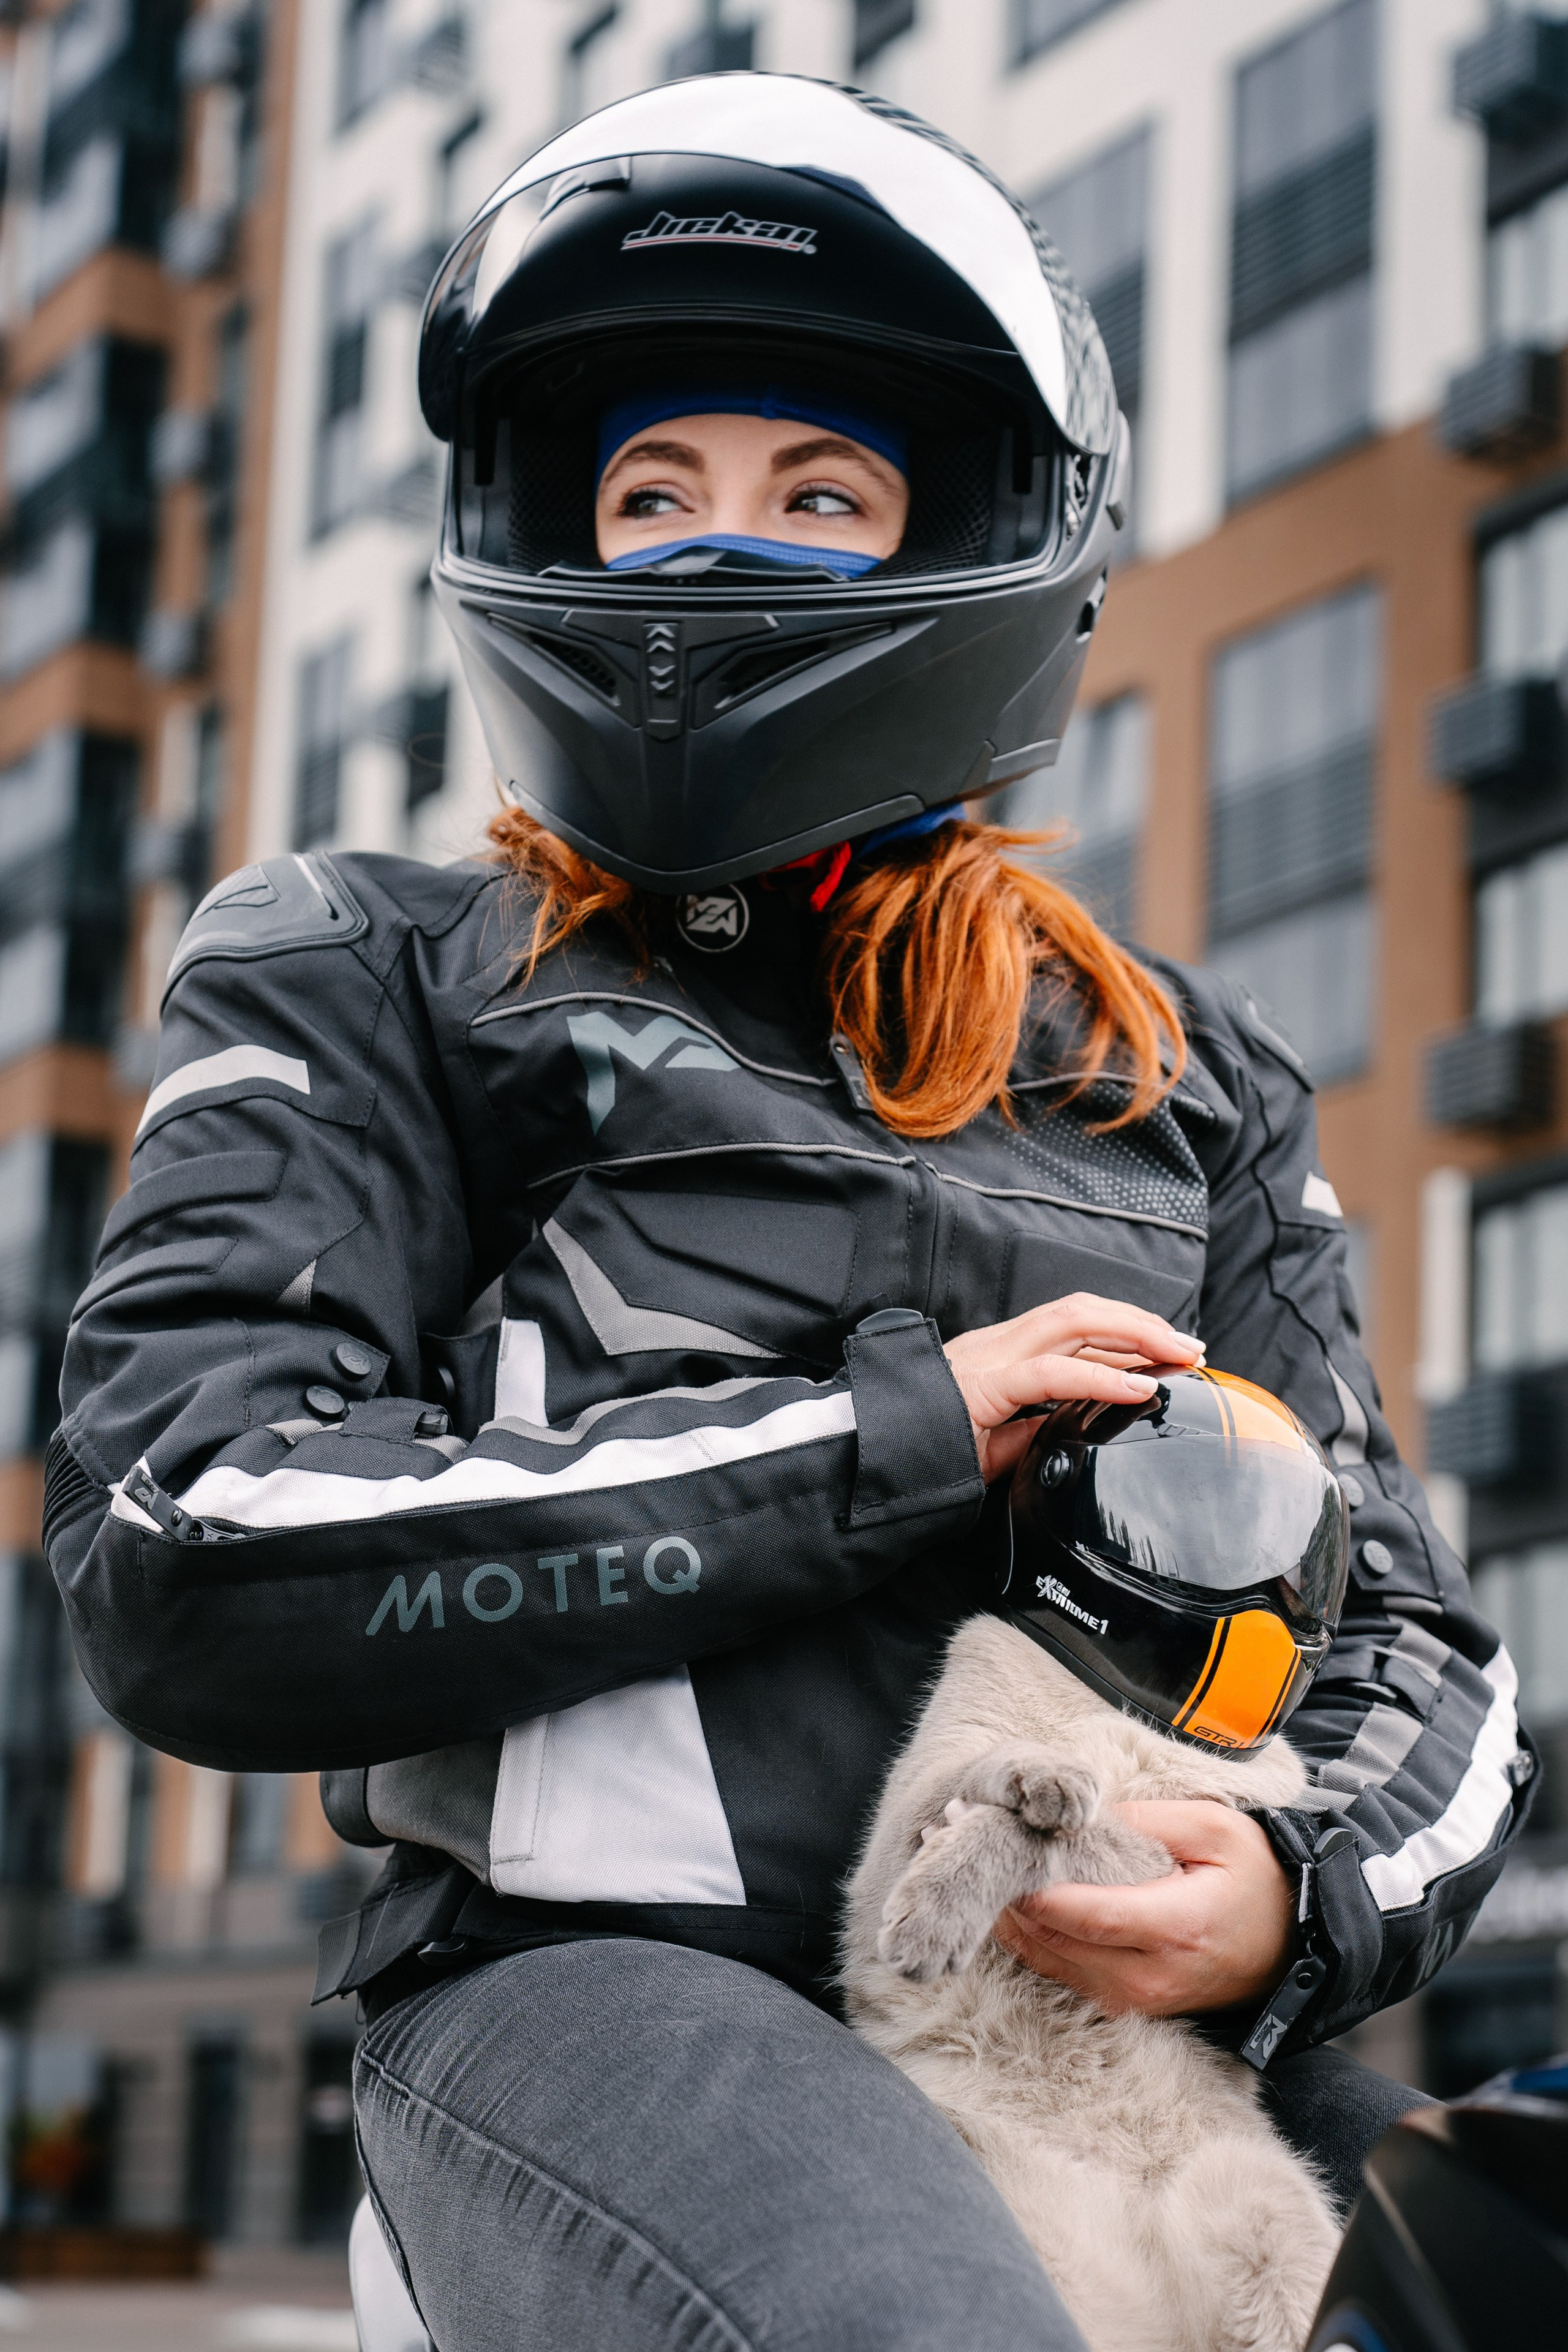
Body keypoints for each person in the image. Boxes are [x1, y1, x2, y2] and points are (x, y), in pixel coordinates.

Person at [48, 77, 1529, 2352]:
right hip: (601, 1995)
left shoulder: (1187, 1078)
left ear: (986, 529)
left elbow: (1410, 1634)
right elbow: (188, 1540)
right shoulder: (369, 966)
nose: (706, 557)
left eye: (819, 496)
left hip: (1107, 2028)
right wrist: (890, 1439)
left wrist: (1297, 1885)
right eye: (651, 492)